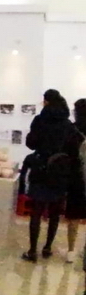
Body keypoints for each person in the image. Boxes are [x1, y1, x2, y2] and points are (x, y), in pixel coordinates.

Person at [22, 89, 79, 262]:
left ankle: (32, 250)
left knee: (37, 211)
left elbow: (31, 144)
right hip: (59, 171)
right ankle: (47, 248)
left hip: (41, 168)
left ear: (46, 101)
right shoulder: (68, 125)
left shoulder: (40, 120)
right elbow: (73, 149)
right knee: (55, 212)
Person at [63, 98, 86, 263]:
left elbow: (67, 154)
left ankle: (71, 250)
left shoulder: (72, 130)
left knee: (74, 216)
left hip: (77, 177)